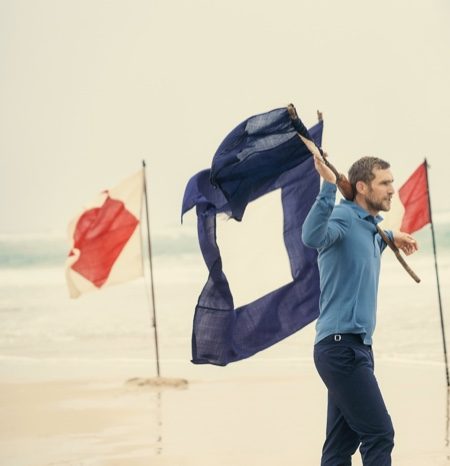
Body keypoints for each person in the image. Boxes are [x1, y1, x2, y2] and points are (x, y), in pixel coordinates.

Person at [302, 154, 418, 466]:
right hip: (341, 349)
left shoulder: (370, 228)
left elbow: (366, 239)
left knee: (340, 446)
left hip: (357, 348)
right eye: (385, 183)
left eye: (392, 182)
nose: (392, 189)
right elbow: (312, 236)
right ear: (363, 187)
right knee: (379, 434)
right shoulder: (343, 217)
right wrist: (328, 186)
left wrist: (393, 236)